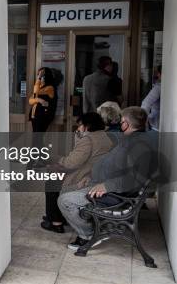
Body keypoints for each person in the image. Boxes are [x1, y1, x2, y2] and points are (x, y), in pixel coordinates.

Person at [58, 107, 157, 251]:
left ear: (127, 124)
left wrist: (106, 186)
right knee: (67, 189)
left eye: (122, 121)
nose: (121, 124)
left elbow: (134, 179)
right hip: (105, 186)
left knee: (65, 200)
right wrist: (92, 177)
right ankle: (89, 225)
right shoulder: (133, 139)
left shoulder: (138, 145)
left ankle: (87, 235)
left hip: (115, 194)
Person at [42, 112, 114, 233]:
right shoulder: (104, 136)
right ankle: (55, 215)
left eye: (80, 125)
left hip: (84, 175)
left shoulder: (88, 139)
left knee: (52, 181)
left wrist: (57, 161)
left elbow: (72, 162)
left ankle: (56, 222)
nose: (78, 128)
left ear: (88, 125)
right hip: (94, 174)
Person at [28, 67, 57, 133]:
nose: (39, 77)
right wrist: (38, 100)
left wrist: (38, 79)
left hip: (43, 116)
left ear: (46, 76)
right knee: (36, 138)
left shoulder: (50, 88)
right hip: (35, 115)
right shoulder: (40, 86)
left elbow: (36, 92)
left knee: (38, 139)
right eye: (38, 75)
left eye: (41, 75)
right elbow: (30, 101)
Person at [141, 65, 161, 131]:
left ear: (159, 74)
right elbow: (146, 104)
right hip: (157, 124)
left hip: (157, 125)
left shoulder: (158, 87)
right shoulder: (158, 87)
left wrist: (144, 123)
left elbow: (145, 104)